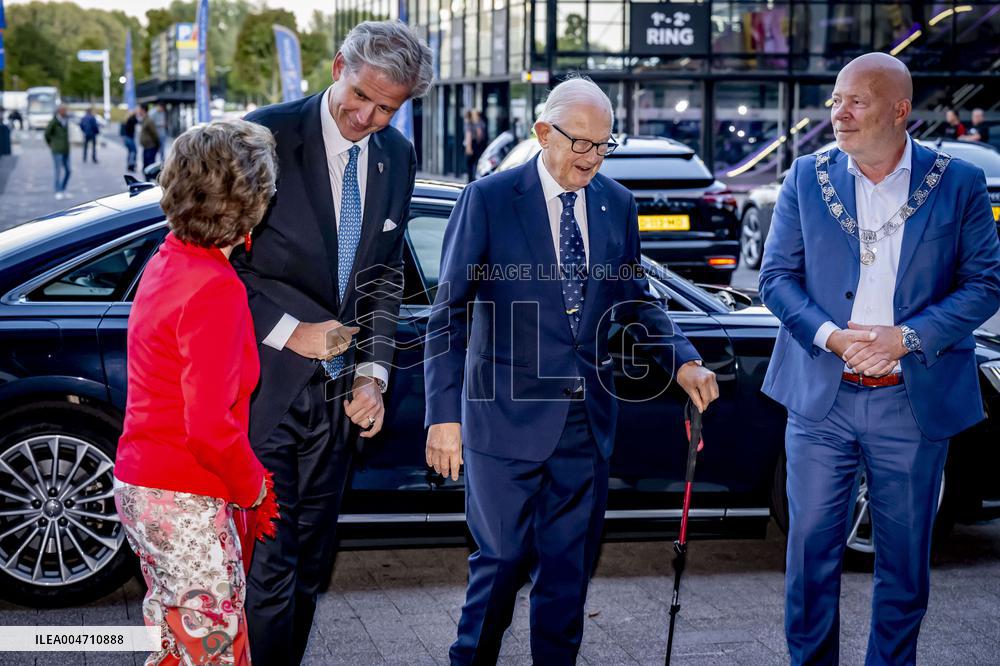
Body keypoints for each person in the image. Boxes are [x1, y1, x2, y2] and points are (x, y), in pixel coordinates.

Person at [424, 76, 720, 665]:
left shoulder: (617, 204)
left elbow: (635, 296)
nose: (590, 157)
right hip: (501, 417)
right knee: (500, 565)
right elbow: (447, 316)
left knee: (567, 575)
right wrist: (443, 418)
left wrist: (682, 358)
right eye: (578, 142)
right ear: (542, 133)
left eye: (602, 144)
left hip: (586, 424)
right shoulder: (489, 198)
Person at [759, 53, 1000, 665]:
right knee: (809, 556)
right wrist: (832, 336)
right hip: (821, 397)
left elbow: (984, 285)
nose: (839, 112)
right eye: (836, 100)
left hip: (911, 400)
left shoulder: (959, 182)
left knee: (904, 561)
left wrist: (908, 336)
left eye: (856, 101)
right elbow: (777, 279)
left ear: (899, 111)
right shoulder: (805, 178)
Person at [232, 20, 433, 665]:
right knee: (269, 569)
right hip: (263, 391)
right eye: (362, 96)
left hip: (342, 404)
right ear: (338, 64)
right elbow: (215, 266)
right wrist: (294, 332)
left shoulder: (396, 156)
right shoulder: (261, 136)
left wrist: (373, 372)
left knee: (312, 565)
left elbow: (383, 276)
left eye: (389, 108)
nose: (370, 117)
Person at [113, 119, 279, 666]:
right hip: (182, 493)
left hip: (145, 485)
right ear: (250, 203)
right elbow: (207, 426)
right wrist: (253, 486)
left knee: (173, 643)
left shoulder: (169, 259)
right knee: (211, 649)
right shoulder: (215, 287)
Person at [43, 104, 71, 200]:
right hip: (57, 150)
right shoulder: (54, 122)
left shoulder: (66, 120)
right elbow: (46, 134)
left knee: (68, 170)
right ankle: (58, 190)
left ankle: (63, 189)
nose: (66, 112)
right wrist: (50, 144)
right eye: (64, 110)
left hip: (66, 150)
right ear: (59, 111)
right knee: (58, 170)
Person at [137, 104, 160, 179]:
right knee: (146, 166)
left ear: (143, 110)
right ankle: (147, 181)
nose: (138, 111)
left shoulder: (149, 120)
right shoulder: (144, 119)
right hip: (146, 147)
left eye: (139, 109)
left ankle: (152, 183)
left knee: (150, 167)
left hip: (151, 147)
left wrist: (157, 145)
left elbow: (154, 133)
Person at [463, 109, 487, 181]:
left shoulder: (470, 124)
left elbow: (469, 135)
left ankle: (471, 180)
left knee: (470, 163)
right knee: (477, 162)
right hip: (478, 144)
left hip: (472, 144)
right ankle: (476, 179)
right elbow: (480, 134)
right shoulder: (480, 122)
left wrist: (468, 147)